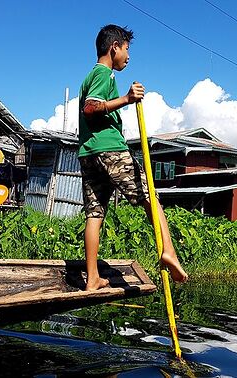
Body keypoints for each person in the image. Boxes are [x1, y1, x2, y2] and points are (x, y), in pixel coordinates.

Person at [78, 24, 188, 291]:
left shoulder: (89, 77)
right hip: (109, 150)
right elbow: (90, 108)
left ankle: (92, 278)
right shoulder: (104, 74)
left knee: (95, 214)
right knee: (150, 195)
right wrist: (126, 99)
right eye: (126, 50)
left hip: (88, 152)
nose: (128, 57)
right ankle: (169, 251)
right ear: (114, 47)